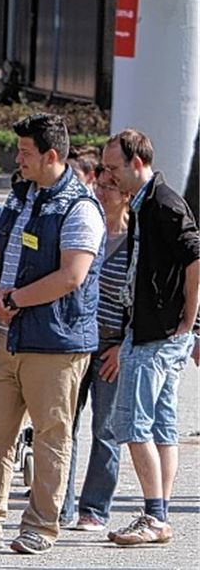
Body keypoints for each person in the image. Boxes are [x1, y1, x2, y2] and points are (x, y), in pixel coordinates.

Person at [0, 113, 104, 555]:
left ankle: (41, 526)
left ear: (50, 155)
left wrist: (13, 299)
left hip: (54, 342)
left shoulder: (79, 207)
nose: (17, 160)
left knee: (50, 435)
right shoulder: (21, 196)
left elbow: (72, 276)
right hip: (1, 336)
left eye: (25, 153)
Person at [101, 129, 199, 546]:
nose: (108, 177)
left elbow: (195, 259)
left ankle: (154, 515)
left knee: (133, 423)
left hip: (155, 333)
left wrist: (190, 320)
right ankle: (159, 512)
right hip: (151, 329)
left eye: (113, 168)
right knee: (161, 425)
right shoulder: (145, 204)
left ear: (136, 164)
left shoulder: (163, 203)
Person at [59, 163, 131, 532]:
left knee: (105, 429)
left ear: (127, 195)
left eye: (110, 188)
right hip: (76, 338)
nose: (101, 193)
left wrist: (124, 347)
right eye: (99, 185)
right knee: (63, 424)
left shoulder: (138, 241)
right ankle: (61, 504)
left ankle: (95, 508)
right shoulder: (87, 227)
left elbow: (147, 302)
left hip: (113, 345)